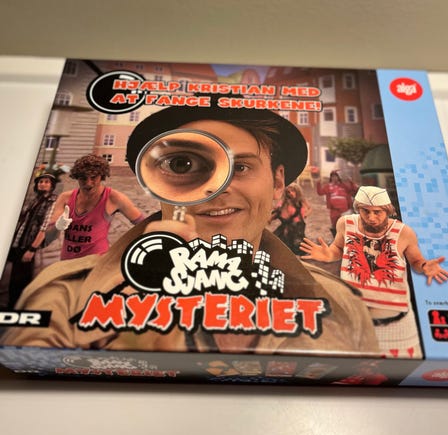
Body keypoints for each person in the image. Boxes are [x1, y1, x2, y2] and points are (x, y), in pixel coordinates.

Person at [1, 101, 379, 356]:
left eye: (241, 167)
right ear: (154, 181)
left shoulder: (340, 306)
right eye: (183, 165)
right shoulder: (64, 294)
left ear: (278, 183)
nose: (215, 188)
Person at [300, 186, 448, 358]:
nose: (371, 217)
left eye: (377, 212)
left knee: (400, 370)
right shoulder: (346, 224)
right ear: (358, 209)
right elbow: (339, 248)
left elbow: (416, 260)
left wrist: (424, 266)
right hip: (354, 322)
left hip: (396, 326)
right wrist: (329, 254)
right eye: (366, 211)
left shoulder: (404, 232)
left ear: (388, 210)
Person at [50, 154, 145, 260]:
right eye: (83, 178)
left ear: (102, 176)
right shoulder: (65, 198)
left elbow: (145, 224)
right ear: (77, 177)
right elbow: (49, 237)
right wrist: (57, 227)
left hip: (97, 263)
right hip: (67, 262)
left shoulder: (114, 198)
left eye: (94, 177)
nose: (88, 183)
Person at [0, 170, 59, 308]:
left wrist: (32, 249)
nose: (42, 184)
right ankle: (11, 305)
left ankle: (17, 307)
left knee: (21, 281)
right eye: (40, 182)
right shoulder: (34, 200)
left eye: (46, 182)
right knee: (12, 279)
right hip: (18, 244)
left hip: (29, 246)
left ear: (52, 185)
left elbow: (45, 227)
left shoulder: (52, 202)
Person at [270, 182, 312, 255]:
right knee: (278, 243)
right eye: (288, 192)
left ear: (297, 191)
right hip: (287, 227)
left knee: (298, 246)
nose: (290, 193)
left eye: (292, 191)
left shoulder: (301, 201)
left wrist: (305, 215)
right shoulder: (284, 202)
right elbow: (278, 212)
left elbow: (310, 208)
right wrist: (271, 218)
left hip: (298, 227)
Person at [316, 170, 358, 237]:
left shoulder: (343, 186)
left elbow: (354, 189)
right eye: (333, 176)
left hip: (345, 209)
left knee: (346, 225)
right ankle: (336, 238)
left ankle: (347, 238)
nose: (334, 178)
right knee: (334, 225)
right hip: (334, 210)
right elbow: (320, 192)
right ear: (331, 178)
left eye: (336, 176)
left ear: (338, 177)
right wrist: (318, 183)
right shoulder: (328, 186)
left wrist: (351, 181)